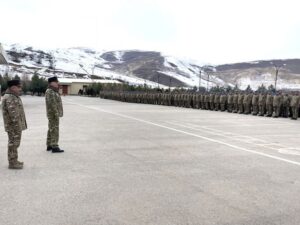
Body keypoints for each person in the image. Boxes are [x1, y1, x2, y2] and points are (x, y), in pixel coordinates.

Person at [2, 79, 27, 169]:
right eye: (18, 87)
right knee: (13, 143)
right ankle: (12, 163)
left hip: (15, 126)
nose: (20, 89)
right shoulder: (9, 97)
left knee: (15, 143)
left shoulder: (13, 96)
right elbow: (14, 115)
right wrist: (18, 126)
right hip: (13, 126)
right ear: (12, 87)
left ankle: (14, 160)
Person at [45, 76, 64, 153]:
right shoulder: (50, 91)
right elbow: (52, 104)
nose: (57, 83)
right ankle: (55, 146)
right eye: (56, 82)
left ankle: (49, 145)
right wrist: (56, 114)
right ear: (51, 83)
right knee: (54, 129)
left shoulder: (53, 91)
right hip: (53, 114)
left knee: (51, 129)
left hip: (53, 113)